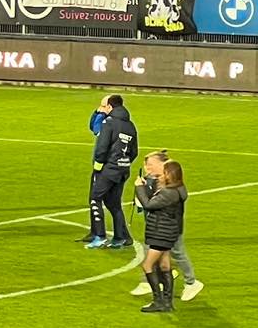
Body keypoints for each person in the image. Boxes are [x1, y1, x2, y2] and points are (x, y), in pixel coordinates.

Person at [132, 150, 205, 302]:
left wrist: (140, 190)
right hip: (158, 227)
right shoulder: (154, 180)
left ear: (163, 164)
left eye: (151, 164)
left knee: (176, 253)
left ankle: (191, 282)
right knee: (160, 257)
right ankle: (152, 284)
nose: (148, 168)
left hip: (168, 228)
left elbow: (149, 204)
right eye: (146, 165)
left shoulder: (171, 187)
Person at [85, 94, 139, 250]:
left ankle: (99, 236)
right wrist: (124, 163)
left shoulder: (109, 123)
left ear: (109, 107)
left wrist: (99, 164)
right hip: (123, 169)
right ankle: (119, 237)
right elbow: (134, 151)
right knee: (114, 203)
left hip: (108, 169)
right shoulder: (130, 125)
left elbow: (102, 146)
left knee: (95, 198)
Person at [137, 159, 188, 314]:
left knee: (147, 265)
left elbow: (149, 205)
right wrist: (148, 185)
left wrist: (139, 188)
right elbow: (155, 199)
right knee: (165, 265)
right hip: (168, 232)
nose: (160, 176)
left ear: (170, 175)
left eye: (164, 173)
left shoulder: (169, 193)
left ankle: (158, 300)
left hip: (161, 233)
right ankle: (167, 302)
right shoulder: (177, 189)